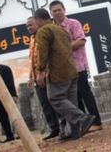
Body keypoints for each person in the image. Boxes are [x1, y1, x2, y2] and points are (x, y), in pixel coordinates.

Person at [33, 8, 95, 140]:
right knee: (71, 102)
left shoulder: (43, 31)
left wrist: (40, 71)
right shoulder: (60, 29)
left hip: (57, 72)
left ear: (38, 19)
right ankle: (74, 131)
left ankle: (82, 118)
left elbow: (42, 52)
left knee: (55, 98)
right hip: (72, 70)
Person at [49, 0, 103, 130]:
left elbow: (81, 41)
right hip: (65, 70)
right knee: (74, 98)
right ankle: (84, 124)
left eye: (59, 10)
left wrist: (62, 48)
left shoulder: (73, 23)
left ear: (64, 10)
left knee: (85, 94)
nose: (57, 13)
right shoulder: (52, 29)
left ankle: (97, 122)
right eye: (54, 11)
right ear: (51, 13)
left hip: (78, 66)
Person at [27, 16, 63, 140]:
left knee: (55, 101)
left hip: (48, 75)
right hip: (37, 77)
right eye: (27, 26)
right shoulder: (32, 39)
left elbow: (45, 57)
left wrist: (43, 73)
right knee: (45, 104)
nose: (29, 28)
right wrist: (31, 77)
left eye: (31, 25)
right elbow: (32, 60)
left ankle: (63, 128)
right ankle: (54, 128)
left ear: (37, 23)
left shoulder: (44, 36)